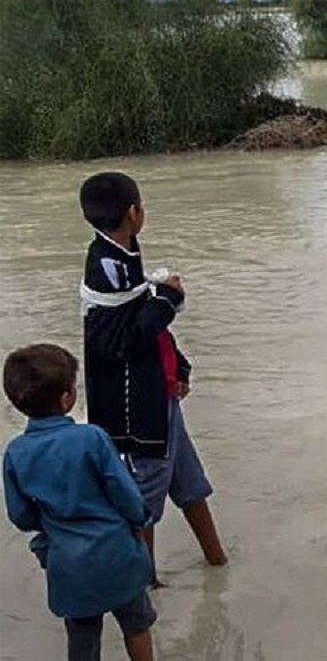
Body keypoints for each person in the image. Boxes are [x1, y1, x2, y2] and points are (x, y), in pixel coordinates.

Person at [78, 172, 227, 587]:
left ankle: (218, 563)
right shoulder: (105, 268)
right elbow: (120, 340)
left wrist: (178, 366)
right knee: (142, 497)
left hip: (159, 393)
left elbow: (143, 323)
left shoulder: (123, 256)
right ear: (133, 213)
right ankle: (145, 586)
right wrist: (168, 300)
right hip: (137, 410)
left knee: (189, 482)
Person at [3, 344, 156, 661]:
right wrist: (141, 518)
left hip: (69, 566)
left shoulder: (16, 453)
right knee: (137, 624)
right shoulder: (92, 437)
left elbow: (20, 516)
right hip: (117, 555)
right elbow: (123, 492)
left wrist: (49, 521)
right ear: (66, 399)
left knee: (82, 640)